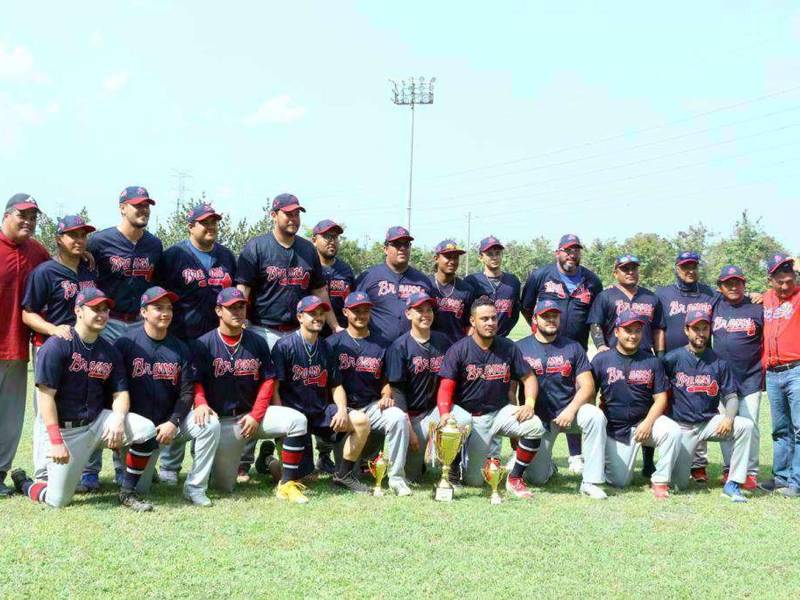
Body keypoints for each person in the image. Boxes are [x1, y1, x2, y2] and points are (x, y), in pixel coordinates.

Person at [10, 288, 158, 511]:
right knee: (57, 500)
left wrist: (118, 419)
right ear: (78, 311)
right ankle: (25, 483)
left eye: (105, 309)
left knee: (146, 430)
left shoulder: (110, 351)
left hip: (99, 422)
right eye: (95, 309)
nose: (102, 314)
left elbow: (120, 393)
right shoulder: (57, 345)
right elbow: (45, 397)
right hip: (67, 432)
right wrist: (56, 442)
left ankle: (127, 492)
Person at [235, 194, 339, 483]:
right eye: (288, 214)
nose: (293, 219)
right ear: (274, 215)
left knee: (296, 393)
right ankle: (244, 462)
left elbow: (320, 292)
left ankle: (289, 460)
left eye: (297, 214)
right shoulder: (257, 247)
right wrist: (241, 324)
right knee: (256, 394)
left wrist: (336, 325)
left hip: (297, 332)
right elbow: (244, 289)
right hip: (262, 330)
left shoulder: (307, 250)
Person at [191, 288, 311, 503]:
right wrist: (200, 402)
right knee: (224, 486)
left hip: (255, 416)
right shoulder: (204, 343)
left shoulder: (256, 341)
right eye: (231, 308)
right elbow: (196, 381)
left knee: (297, 420)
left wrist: (256, 415)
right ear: (219, 310)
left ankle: (287, 484)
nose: (238, 311)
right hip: (225, 421)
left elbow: (268, 380)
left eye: (241, 306)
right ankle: (228, 463)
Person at [80, 186, 162, 492]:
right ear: (122, 208)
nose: (143, 210)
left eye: (147, 206)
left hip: (140, 324)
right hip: (108, 323)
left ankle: (128, 464)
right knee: (97, 389)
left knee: (134, 390)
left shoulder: (154, 245)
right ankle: (90, 468)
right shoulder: (99, 241)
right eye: (137, 205)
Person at [114, 286, 221, 506]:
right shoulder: (125, 344)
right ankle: (136, 468)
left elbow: (187, 392)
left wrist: (174, 422)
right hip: (139, 429)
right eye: (158, 308)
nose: (165, 313)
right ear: (143, 312)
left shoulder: (180, 348)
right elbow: (115, 387)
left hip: (170, 425)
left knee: (210, 424)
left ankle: (195, 488)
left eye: (169, 308)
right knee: (142, 487)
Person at [155, 202, 236, 485]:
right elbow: (158, 297)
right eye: (205, 222)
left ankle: (208, 464)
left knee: (211, 400)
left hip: (216, 342)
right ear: (190, 226)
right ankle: (169, 466)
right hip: (181, 338)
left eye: (214, 221)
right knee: (179, 399)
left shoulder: (226, 256)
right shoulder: (173, 256)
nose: (211, 226)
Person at [436, 297, 545, 498]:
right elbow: (445, 388)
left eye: (493, 318)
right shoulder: (459, 349)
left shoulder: (508, 347)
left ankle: (515, 478)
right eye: (484, 319)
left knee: (535, 424)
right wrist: (444, 414)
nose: (490, 323)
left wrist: (529, 404)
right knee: (475, 481)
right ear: (472, 321)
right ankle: (452, 469)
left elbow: (529, 378)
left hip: (499, 412)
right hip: (471, 416)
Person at [21, 214, 98, 482]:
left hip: (84, 349)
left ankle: (82, 470)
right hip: (50, 346)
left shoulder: (89, 269)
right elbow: (27, 314)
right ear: (58, 239)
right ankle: (43, 474)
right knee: (46, 409)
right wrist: (53, 329)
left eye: (83, 235)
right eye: (72, 235)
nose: (78, 240)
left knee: (81, 408)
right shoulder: (44, 272)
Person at [271, 295, 372, 494]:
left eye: (321, 313)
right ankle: (270, 462)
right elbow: (274, 388)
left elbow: (336, 386)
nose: (318, 317)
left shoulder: (326, 346)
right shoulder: (284, 346)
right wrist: (282, 424)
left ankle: (343, 475)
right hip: (295, 418)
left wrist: (342, 410)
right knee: (306, 480)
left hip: (319, 412)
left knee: (361, 421)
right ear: (300, 317)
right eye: (312, 314)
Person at [521, 233, 602, 476]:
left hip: (575, 347)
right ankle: (531, 451)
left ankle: (577, 455)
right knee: (543, 391)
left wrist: (601, 344)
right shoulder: (541, 275)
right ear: (558, 252)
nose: (572, 254)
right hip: (544, 345)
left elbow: (597, 315)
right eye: (567, 250)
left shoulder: (591, 280)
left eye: (576, 250)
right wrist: (538, 331)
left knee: (582, 398)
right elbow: (526, 306)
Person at [515, 300, 607, 499]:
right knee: (537, 478)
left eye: (554, 315)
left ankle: (590, 481)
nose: (550, 319)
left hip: (569, 413)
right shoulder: (520, 347)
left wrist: (571, 410)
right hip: (539, 420)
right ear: (534, 319)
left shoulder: (572, 347)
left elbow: (588, 386)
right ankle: (547, 465)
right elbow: (511, 389)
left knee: (595, 416)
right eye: (545, 316)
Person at [662, 309, 754, 503]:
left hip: (709, 423)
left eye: (705, 328)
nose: (701, 333)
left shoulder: (719, 362)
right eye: (696, 328)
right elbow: (659, 392)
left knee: (745, 426)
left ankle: (733, 483)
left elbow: (731, 396)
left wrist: (729, 417)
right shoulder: (672, 359)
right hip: (682, 427)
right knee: (679, 485)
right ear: (687, 330)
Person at [588, 253, 664, 478]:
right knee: (613, 403)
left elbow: (659, 327)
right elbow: (595, 323)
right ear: (616, 272)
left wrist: (659, 355)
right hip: (614, 357)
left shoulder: (651, 298)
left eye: (633, 268)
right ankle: (607, 450)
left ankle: (649, 463)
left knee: (648, 405)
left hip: (645, 357)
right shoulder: (606, 296)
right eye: (624, 268)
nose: (630, 272)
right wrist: (601, 345)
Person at [327, 291, 411, 495]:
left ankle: (397, 478)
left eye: (365, 310)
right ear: (346, 312)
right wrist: (340, 409)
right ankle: (338, 466)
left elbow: (386, 380)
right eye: (356, 311)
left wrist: (385, 395)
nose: (361, 315)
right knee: (349, 468)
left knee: (398, 418)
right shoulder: (332, 343)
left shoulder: (382, 344)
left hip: (371, 406)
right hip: (342, 410)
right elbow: (329, 384)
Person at [591, 310, 681, 499]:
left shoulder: (651, 361)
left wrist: (648, 422)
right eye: (628, 330)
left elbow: (661, 398)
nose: (633, 335)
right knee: (620, 482)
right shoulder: (602, 360)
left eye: (637, 331)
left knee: (672, 430)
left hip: (644, 423)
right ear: (617, 332)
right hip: (616, 428)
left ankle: (660, 481)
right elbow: (590, 395)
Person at [385, 292, 472, 483]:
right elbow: (397, 392)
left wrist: (445, 413)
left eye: (429, 310)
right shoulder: (399, 347)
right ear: (408, 314)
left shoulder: (444, 342)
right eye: (419, 310)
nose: (426, 314)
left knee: (463, 418)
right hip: (413, 417)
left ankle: (452, 468)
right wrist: (410, 431)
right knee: (413, 477)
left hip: (436, 411)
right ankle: (419, 464)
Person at [0, 193, 49, 497]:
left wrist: (83, 257)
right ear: (6, 215)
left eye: (33, 217)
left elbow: (60, 271)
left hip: (16, 347)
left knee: (10, 419)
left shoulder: (37, 252)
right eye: (23, 215)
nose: (29, 222)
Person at [655, 251, 716, 483]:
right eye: (684, 266)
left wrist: (753, 296)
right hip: (670, 361)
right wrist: (660, 357)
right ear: (677, 268)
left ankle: (698, 464)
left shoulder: (709, 294)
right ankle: (660, 460)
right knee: (666, 410)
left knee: (700, 408)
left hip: (701, 361)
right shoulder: (663, 294)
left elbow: (732, 302)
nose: (689, 270)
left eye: (693, 266)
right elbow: (659, 326)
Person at [711, 265, 763, 491]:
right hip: (723, 379)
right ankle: (728, 468)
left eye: (738, 282)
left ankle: (750, 472)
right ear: (720, 287)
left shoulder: (757, 308)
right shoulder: (714, 305)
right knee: (726, 425)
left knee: (750, 425)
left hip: (750, 376)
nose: (733, 286)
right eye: (728, 283)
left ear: (744, 284)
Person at [311, 218, 355, 474]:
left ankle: (325, 454)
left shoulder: (345, 269)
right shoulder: (308, 266)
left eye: (335, 236)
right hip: (315, 338)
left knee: (336, 392)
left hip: (340, 341)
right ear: (314, 239)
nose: (331, 241)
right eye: (326, 236)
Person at [760, 254, 800, 497]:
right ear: (770, 280)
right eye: (780, 281)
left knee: (799, 429)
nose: (785, 286)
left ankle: (796, 481)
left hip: (796, 370)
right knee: (780, 430)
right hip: (773, 374)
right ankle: (781, 477)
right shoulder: (764, 299)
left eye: (790, 280)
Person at [354, 226, 434, 342]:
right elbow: (353, 311)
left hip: (412, 349)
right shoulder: (369, 276)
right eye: (396, 244)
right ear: (385, 249)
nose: (402, 248)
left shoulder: (422, 281)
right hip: (377, 348)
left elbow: (431, 316)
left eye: (406, 244)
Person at [464, 236, 521, 338]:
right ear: (481, 257)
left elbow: (515, 314)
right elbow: (465, 311)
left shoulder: (513, 282)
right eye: (490, 254)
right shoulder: (472, 281)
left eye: (498, 253)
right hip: (478, 339)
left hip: (501, 340)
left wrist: (504, 332)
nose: (494, 257)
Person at [429, 239, 475, 345]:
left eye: (456, 257)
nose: (453, 261)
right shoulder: (427, 285)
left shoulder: (466, 289)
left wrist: (464, 345)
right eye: (448, 257)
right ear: (436, 258)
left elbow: (470, 323)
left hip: (457, 348)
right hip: (431, 349)